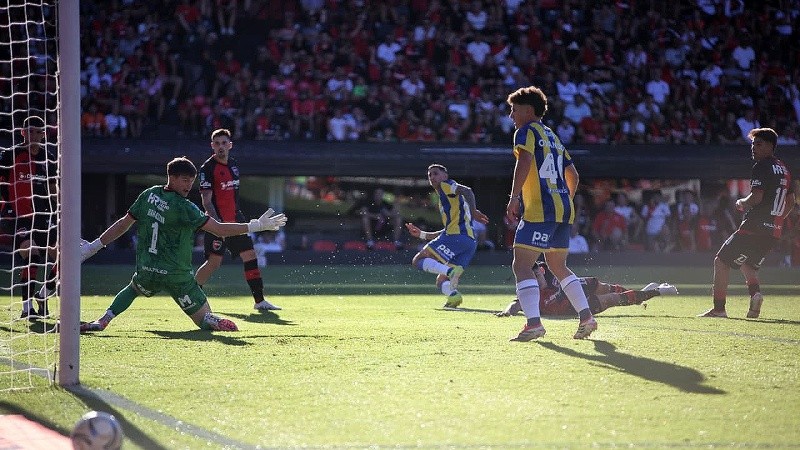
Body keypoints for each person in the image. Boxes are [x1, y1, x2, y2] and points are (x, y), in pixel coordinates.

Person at [78, 157, 288, 332]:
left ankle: (103, 320)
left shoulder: (148, 195)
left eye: (192, 181)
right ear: (172, 178)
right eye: (185, 180)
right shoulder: (185, 207)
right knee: (203, 320)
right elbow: (219, 230)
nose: (189, 186)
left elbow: (123, 225)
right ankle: (210, 319)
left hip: (147, 269)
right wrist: (255, 226)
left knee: (133, 288)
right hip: (178, 276)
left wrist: (93, 246)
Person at [505, 85, 598, 341]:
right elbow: (573, 175)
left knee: (522, 265)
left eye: (514, 110)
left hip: (539, 211)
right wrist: (563, 198)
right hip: (562, 211)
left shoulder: (526, 132)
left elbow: (523, 162)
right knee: (559, 266)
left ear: (527, 110)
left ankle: (534, 323)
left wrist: (514, 198)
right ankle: (586, 317)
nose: (511, 116)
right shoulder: (553, 136)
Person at [699, 128, 795, 319]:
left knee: (721, 261)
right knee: (748, 265)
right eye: (752, 144)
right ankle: (755, 295)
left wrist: (742, 202)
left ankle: (719, 309)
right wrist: (775, 221)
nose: (753, 148)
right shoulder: (785, 170)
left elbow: (757, 197)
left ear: (770, 146)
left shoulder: (761, 166)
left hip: (753, 227)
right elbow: (791, 201)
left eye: (758, 144)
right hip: (773, 232)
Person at [194, 128, 282, 311]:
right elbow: (206, 201)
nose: (221, 147)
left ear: (230, 145)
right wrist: (217, 225)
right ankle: (190, 295)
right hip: (216, 223)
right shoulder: (207, 168)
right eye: (217, 143)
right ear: (212, 146)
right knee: (214, 263)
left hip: (236, 220)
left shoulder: (233, 165)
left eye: (224, 143)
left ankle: (259, 302)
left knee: (250, 255)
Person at [405, 164, 489, 308]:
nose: (432, 177)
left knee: (418, 260)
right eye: (429, 175)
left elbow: (467, 190)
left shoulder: (447, 186)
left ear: (445, 176)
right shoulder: (448, 198)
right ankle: (454, 297)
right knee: (441, 281)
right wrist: (422, 234)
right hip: (468, 242)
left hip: (456, 237)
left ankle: (450, 271)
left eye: (436, 173)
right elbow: (447, 230)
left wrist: (474, 211)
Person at [0, 116, 58, 319]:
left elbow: (53, 190)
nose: (34, 135)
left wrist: (59, 211)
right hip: (18, 215)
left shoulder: (48, 158)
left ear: (44, 134)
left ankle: (43, 295)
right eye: (30, 131)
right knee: (31, 254)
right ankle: (27, 309)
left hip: (45, 216)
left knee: (66, 258)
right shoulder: (9, 155)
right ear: (22, 133)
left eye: (38, 132)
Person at [496, 261, 679, 317]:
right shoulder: (528, 293)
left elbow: (566, 276)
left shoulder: (552, 273)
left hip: (578, 288)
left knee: (608, 288)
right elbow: (516, 304)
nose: (534, 281)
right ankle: (657, 292)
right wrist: (506, 312)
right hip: (576, 307)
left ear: (541, 271)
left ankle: (642, 294)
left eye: (536, 277)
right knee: (613, 299)